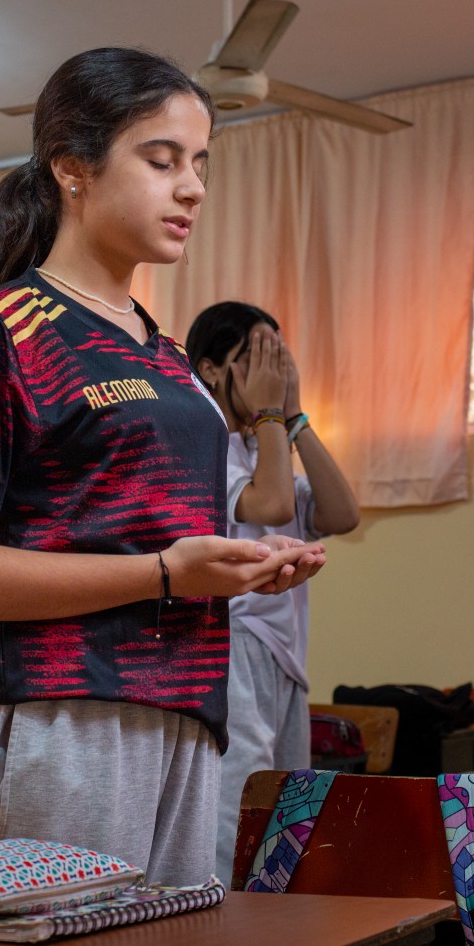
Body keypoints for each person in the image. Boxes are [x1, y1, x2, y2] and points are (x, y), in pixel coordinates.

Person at [0, 47, 326, 887]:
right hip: (61, 717)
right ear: (73, 169)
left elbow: (153, 545)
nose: (193, 187)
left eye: (199, 163)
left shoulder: (167, 358)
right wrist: (166, 573)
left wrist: (229, 570)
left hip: (188, 710)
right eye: (161, 159)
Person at [185, 303, 360, 876]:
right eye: (257, 358)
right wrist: (267, 412)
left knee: (289, 808)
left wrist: (296, 416)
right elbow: (274, 505)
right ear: (212, 369)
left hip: (284, 659)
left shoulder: (266, 449)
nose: (273, 374)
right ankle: (226, 929)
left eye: (278, 360)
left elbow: (341, 512)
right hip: (234, 645)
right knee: (239, 803)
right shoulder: (207, 444)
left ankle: (278, 933)